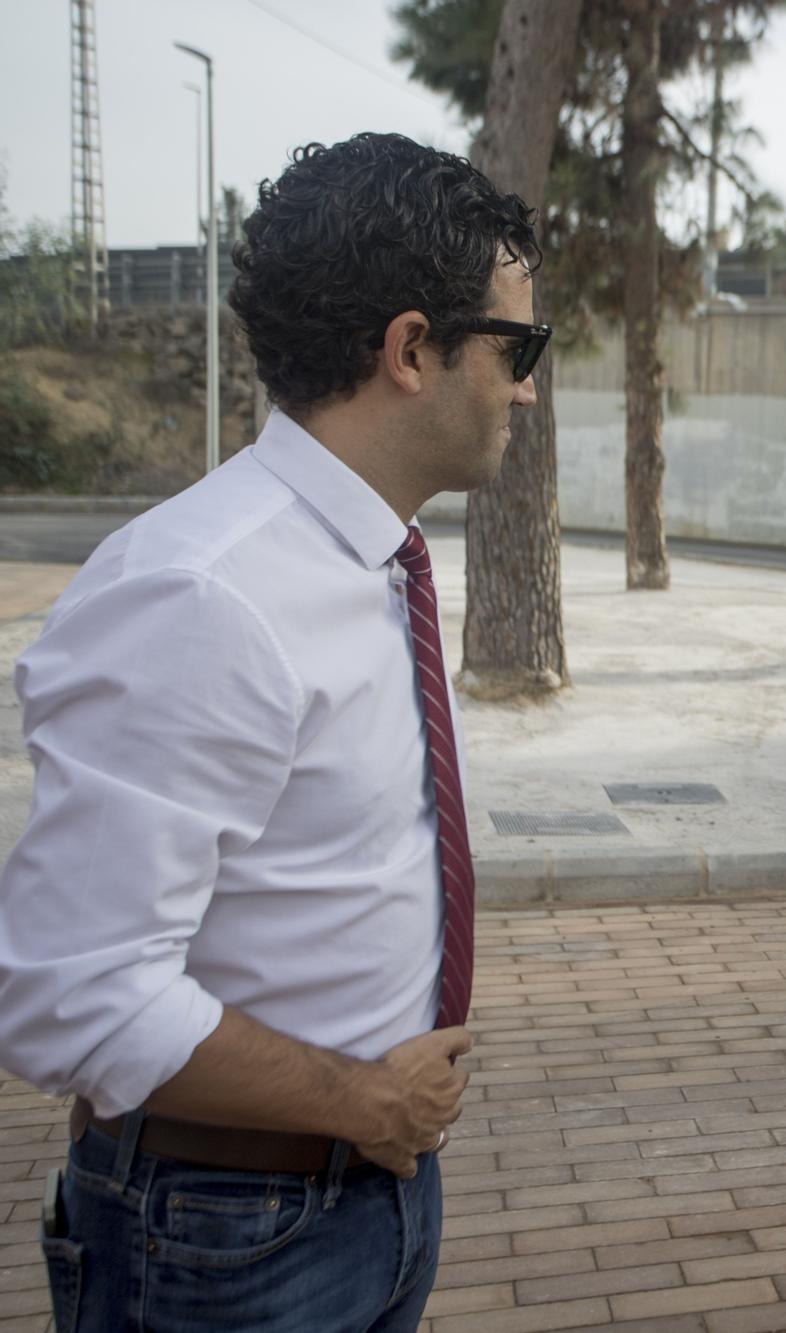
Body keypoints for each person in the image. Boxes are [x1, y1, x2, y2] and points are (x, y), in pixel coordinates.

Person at [0, 132, 549, 1331]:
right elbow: (71, 996)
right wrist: (358, 1098)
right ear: (412, 349)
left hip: (371, 1191)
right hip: (223, 1233)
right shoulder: (201, 594)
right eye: (518, 347)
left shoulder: (372, 559)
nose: (527, 384)